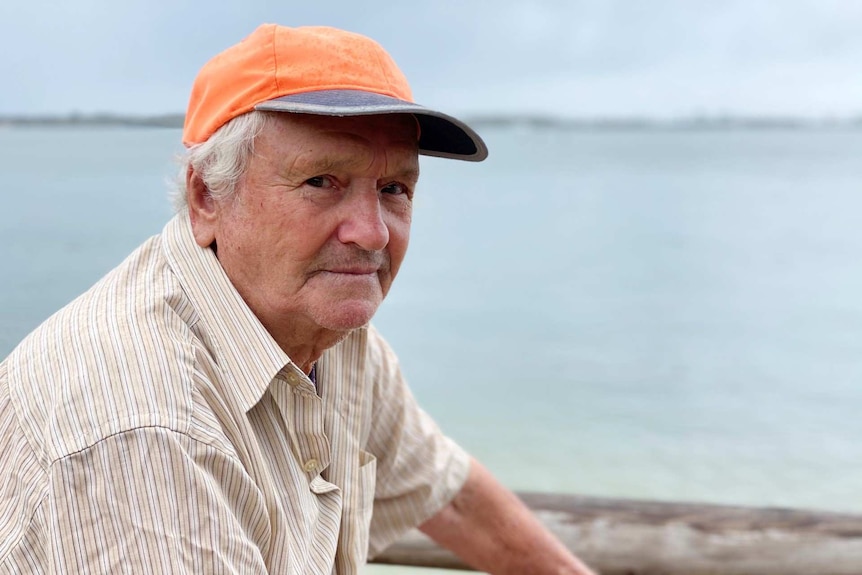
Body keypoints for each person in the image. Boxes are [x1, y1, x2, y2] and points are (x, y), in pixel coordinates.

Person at [0, 24, 595, 575]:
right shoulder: (146, 425)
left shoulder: (331, 341)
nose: (372, 232)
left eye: (394, 188)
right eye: (321, 182)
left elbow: (451, 496)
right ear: (208, 197)